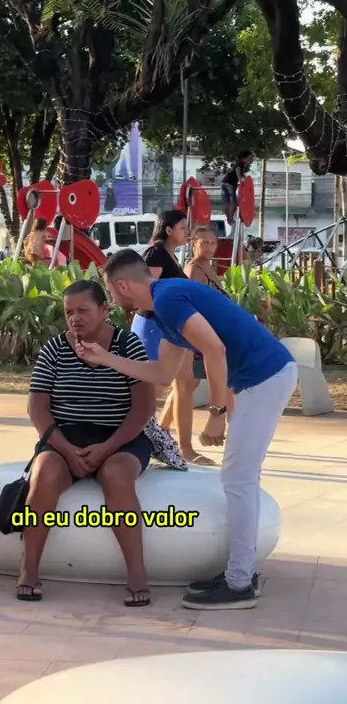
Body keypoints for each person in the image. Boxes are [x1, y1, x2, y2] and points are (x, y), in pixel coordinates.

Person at [76, 249, 297, 610]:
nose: (113, 301)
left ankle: (239, 583)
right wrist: (105, 358)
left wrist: (217, 411)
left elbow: (214, 349)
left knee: (238, 478)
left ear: (123, 285)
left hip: (264, 376)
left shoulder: (168, 299)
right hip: (262, 377)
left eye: (111, 292)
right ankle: (240, 572)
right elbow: (162, 374)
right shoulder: (165, 305)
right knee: (241, 477)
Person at [19, 279, 155, 607]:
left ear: (104, 309)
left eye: (83, 310)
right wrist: (66, 450)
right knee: (44, 474)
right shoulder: (55, 348)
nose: (75, 318)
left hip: (121, 436)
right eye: (69, 312)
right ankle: (28, 569)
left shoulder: (127, 345)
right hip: (65, 437)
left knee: (116, 475)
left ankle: (137, 573)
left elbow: (143, 409)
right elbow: (37, 408)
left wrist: (107, 448)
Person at [131, 211, 213, 466]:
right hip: (155, 326)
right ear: (168, 230)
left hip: (172, 327)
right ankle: (132, 438)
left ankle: (184, 448)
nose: (186, 232)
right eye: (182, 228)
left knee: (186, 383)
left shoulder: (168, 255)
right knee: (150, 390)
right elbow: (146, 292)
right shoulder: (156, 253)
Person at [221, 150, 253, 227]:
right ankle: (231, 218)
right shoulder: (241, 164)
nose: (251, 160)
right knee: (234, 203)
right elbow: (237, 170)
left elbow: (236, 171)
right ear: (243, 158)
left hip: (224, 183)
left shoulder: (237, 163)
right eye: (249, 158)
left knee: (226, 202)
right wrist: (240, 180)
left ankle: (228, 218)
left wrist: (242, 178)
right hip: (230, 184)